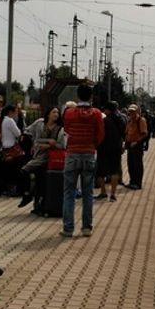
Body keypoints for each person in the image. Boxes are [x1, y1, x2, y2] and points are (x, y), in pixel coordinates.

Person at [59, 84, 104, 238]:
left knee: (69, 192)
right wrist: (92, 145)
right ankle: (86, 228)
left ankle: (68, 228)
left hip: (72, 154)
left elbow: (66, 131)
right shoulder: (97, 114)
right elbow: (100, 134)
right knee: (88, 193)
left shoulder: (69, 113)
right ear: (91, 97)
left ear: (77, 96)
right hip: (89, 154)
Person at [21, 106, 65, 209]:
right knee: (38, 179)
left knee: (26, 170)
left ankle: (31, 196)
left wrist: (50, 145)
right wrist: (33, 143)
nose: (56, 115)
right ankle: (35, 202)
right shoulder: (40, 123)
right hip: (38, 155)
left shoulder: (60, 129)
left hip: (50, 158)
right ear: (48, 114)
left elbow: (62, 145)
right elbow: (29, 133)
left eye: (57, 113)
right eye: (54, 112)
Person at [95, 101, 127, 202]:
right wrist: (123, 145)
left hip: (103, 148)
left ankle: (103, 191)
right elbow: (124, 134)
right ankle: (113, 194)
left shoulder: (104, 121)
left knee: (100, 171)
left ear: (108, 110)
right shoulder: (121, 120)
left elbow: (99, 133)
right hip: (116, 148)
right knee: (114, 171)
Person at [0, 103, 27, 201]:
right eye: (15, 112)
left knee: (8, 171)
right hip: (12, 149)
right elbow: (18, 133)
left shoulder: (3, 120)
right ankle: (15, 190)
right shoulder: (10, 120)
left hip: (5, 148)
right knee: (15, 171)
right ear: (11, 112)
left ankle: (8, 190)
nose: (16, 114)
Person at [124, 104, 149, 189]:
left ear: (137, 111)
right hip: (130, 145)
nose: (131, 113)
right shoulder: (130, 121)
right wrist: (126, 143)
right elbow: (127, 132)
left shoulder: (141, 120)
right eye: (130, 111)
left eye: (133, 111)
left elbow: (145, 134)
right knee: (130, 164)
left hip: (137, 145)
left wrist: (137, 141)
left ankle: (138, 183)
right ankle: (132, 181)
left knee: (137, 165)